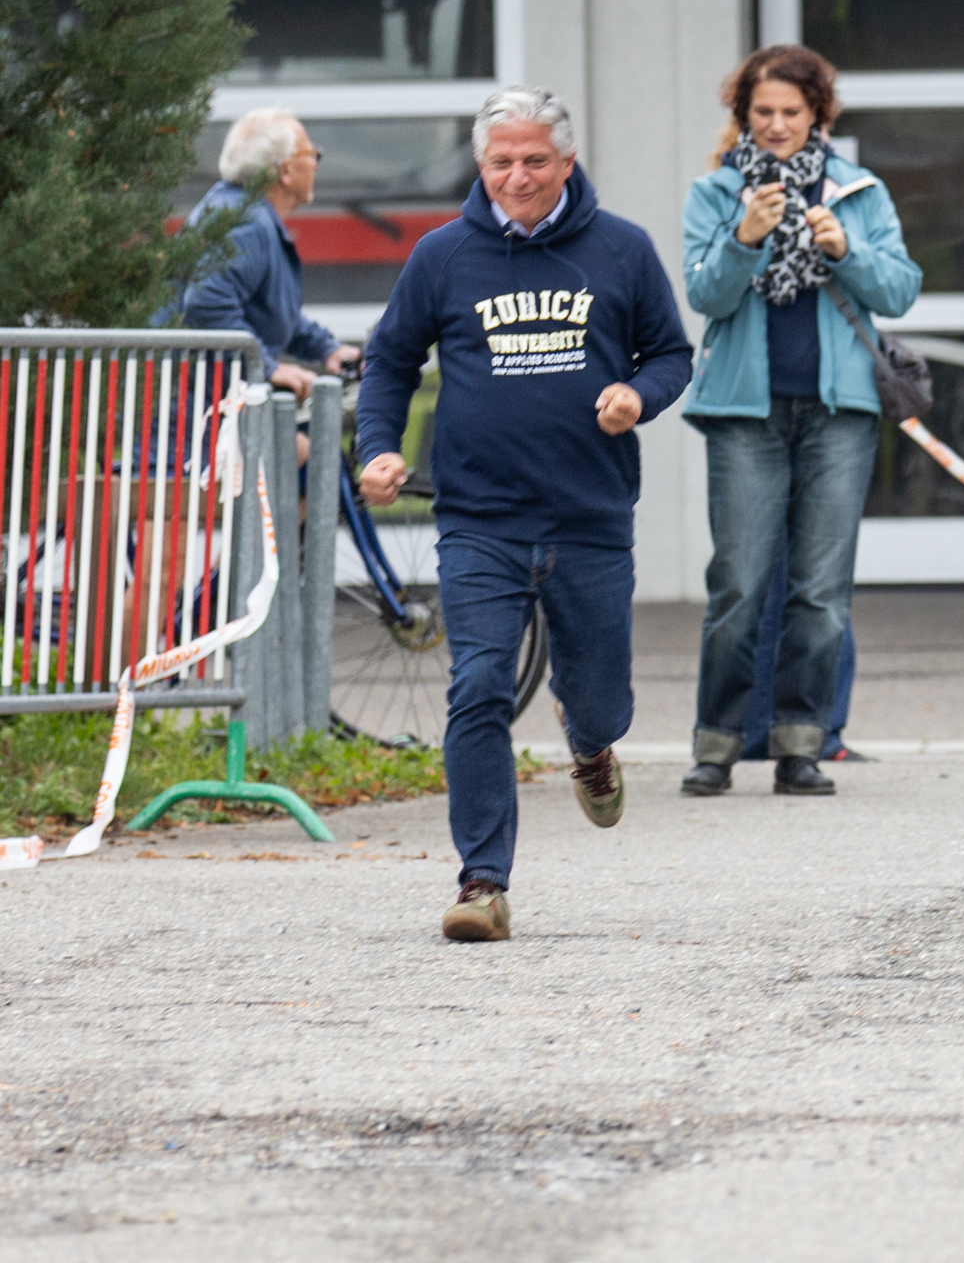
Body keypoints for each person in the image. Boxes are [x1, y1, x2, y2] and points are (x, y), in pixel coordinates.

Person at [357, 87, 693, 944]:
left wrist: (638, 396)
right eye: (501, 161)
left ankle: (590, 742)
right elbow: (391, 360)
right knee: (478, 685)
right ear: (481, 165)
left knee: (600, 698)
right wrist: (379, 448)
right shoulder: (442, 255)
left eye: (535, 160)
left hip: (588, 513)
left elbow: (671, 353)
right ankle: (482, 882)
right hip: (480, 517)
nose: (518, 176)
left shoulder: (621, 249)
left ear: (567, 163)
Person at [678, 45, 921, 797]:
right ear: (743, 115)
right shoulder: (716, 193)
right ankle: (716, 746)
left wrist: (845, 249)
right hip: (745, 414)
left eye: (791, 111)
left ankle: (802, 748)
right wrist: (744, 239)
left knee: (820, 591)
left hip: (838, 415)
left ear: (818, 113)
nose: (777, 125)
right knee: (739, 584)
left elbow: (899, 291)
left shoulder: (859, 191)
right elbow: (705, 296)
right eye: (763, 112)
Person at [177, 109, 361, 402]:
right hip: (192, 414)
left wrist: (326, 349)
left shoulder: (242, 211)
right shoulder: (246, 222)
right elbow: (206, 303)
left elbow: (270, 310)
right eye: (311, 154)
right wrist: (267, 367)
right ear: (285, 171)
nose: (315, 164)